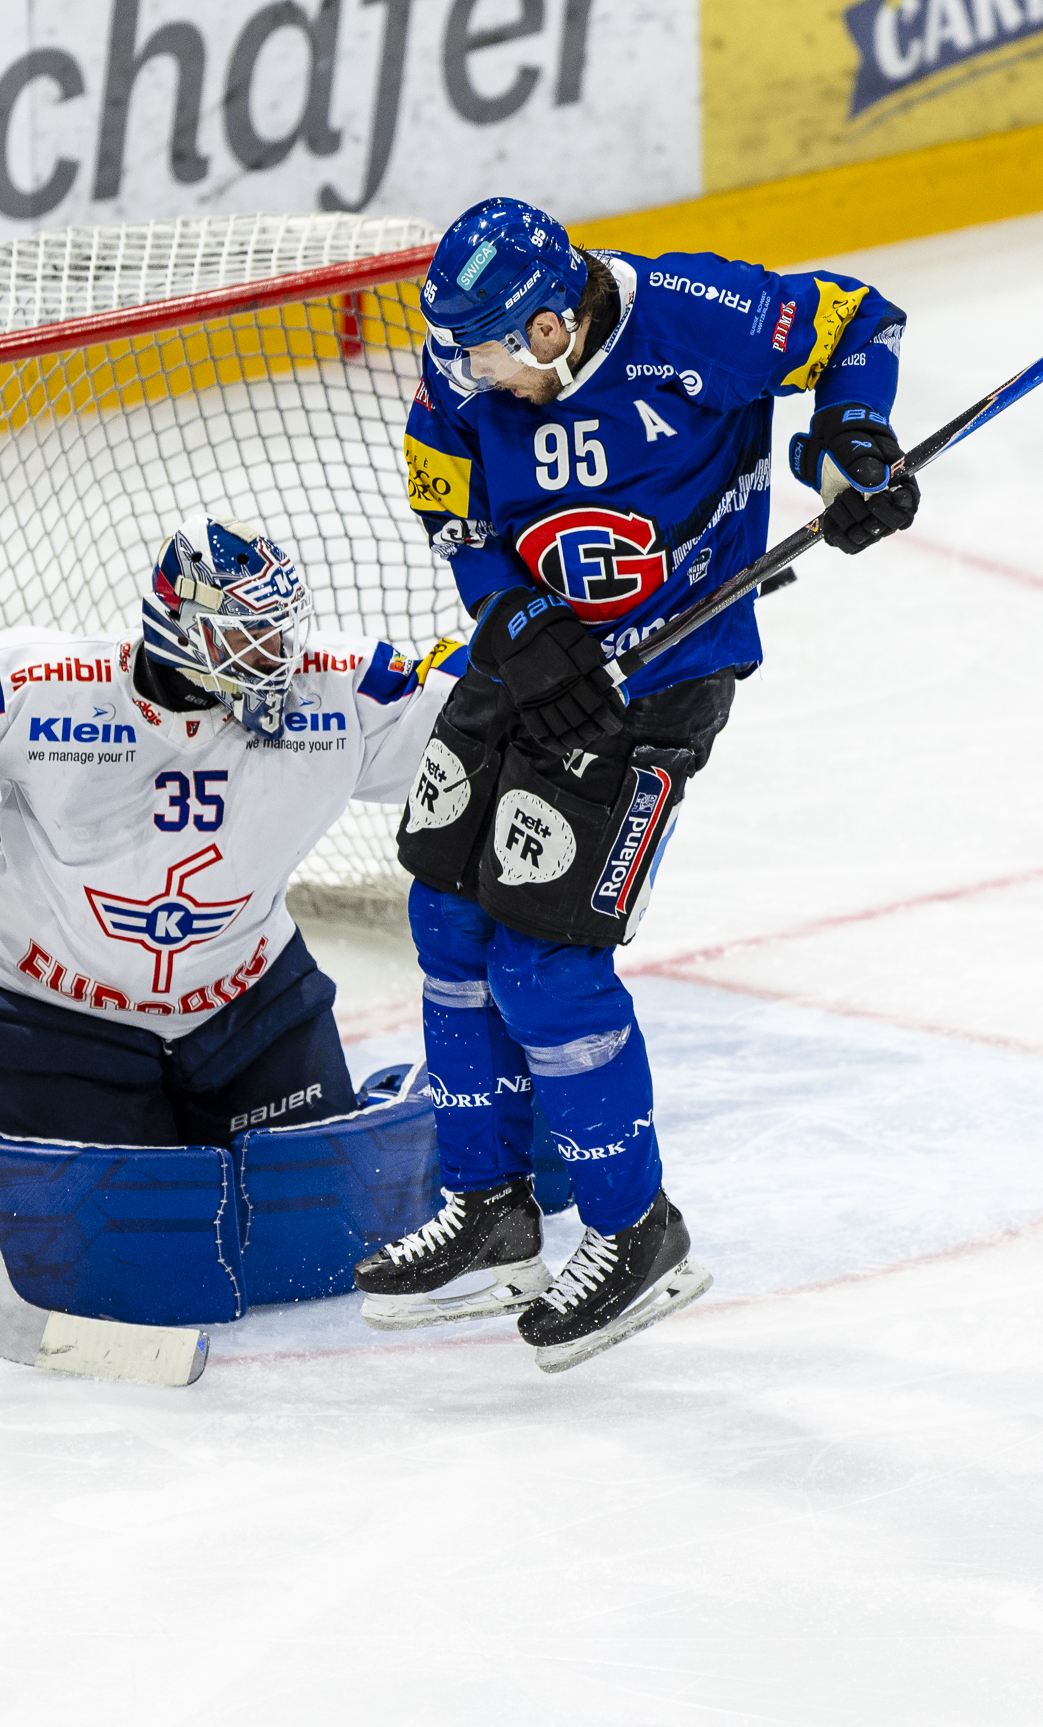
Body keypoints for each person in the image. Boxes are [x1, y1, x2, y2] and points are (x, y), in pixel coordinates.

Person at [355, 197, 916, 1371]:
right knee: (446, 916)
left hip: (657, 683)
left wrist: (851, 443)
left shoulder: (697, 314)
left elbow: (859, 321)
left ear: (554, 325)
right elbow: (446, 497)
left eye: (495, 351)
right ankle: (491, 1208)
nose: (472, 372)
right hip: (524, 655)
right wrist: (506, 615)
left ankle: (635, 1230)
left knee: (544, 961)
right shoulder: (467, 356)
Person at [0, 512, 458, 1149]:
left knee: (318, 1192)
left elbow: (461, 718)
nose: (279, 659)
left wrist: (503, 657)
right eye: (249, 637)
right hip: (49, 1014)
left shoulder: (336, 691)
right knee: (137, 1208)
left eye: (280, 633)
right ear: (181, 628)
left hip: (246, 1001)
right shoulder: (46, 686)